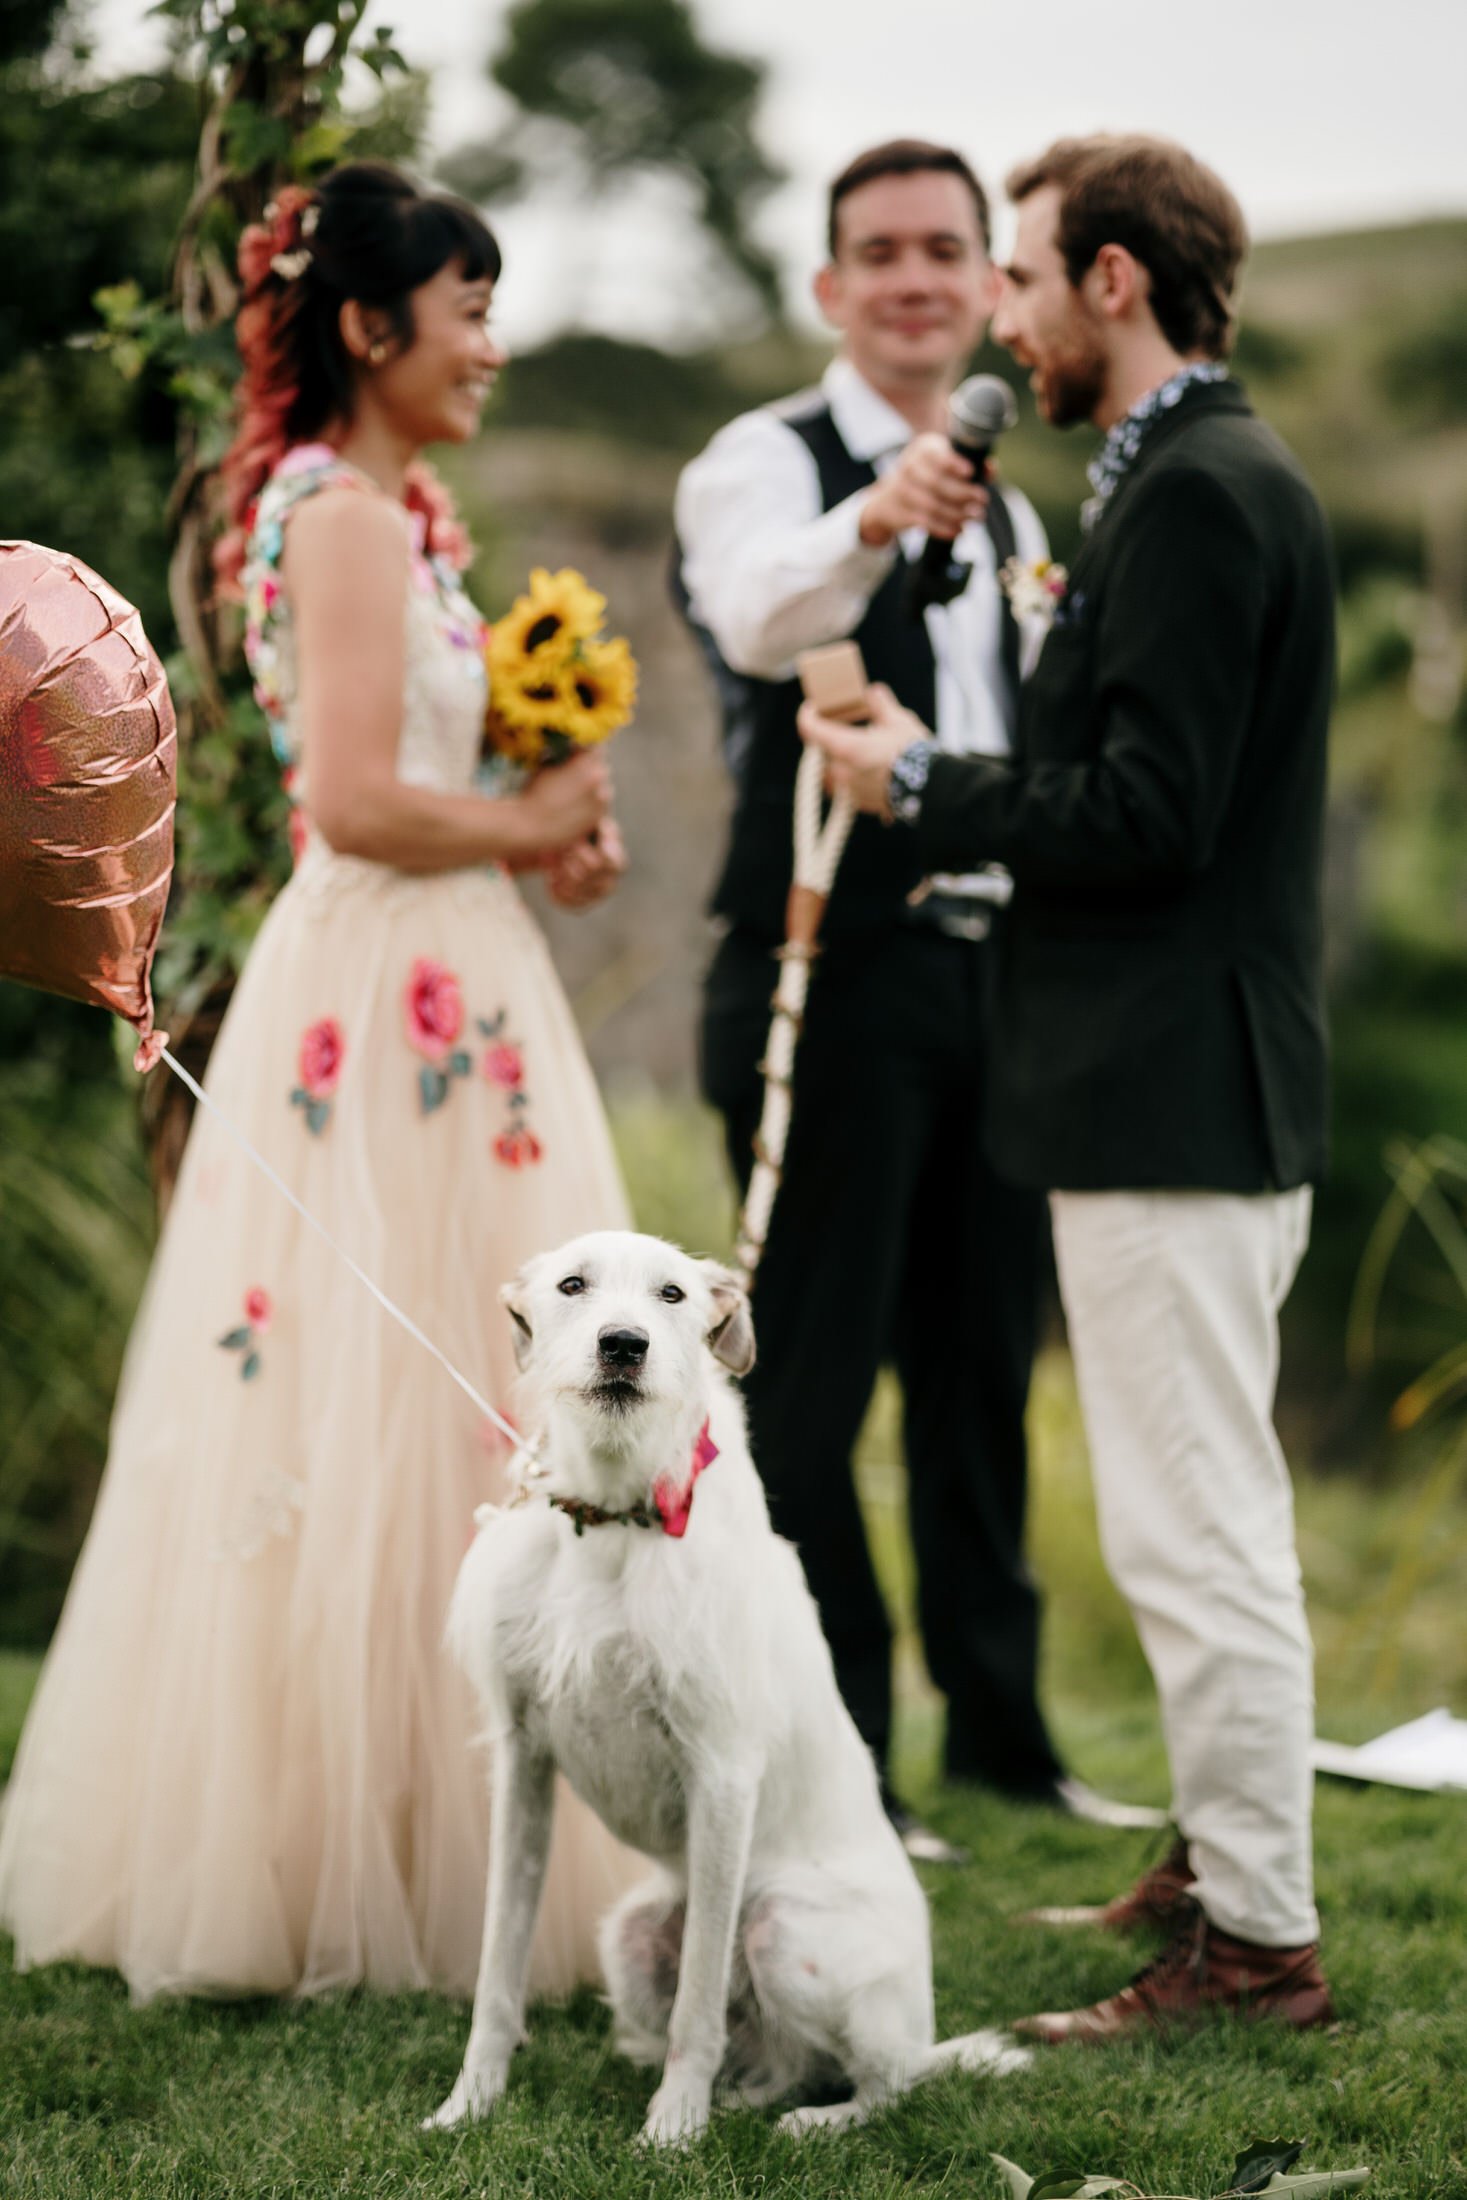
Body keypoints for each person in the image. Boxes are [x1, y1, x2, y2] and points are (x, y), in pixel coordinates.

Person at [0, 162, 642, 2003]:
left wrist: (531, 835)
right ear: (372, 326)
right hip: (386, 986)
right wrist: (518, 821)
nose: (492, 349)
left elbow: (413, 775)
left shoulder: (390, 512)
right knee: (373, 1400)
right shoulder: (344, 520)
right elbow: (352, 801)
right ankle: (349, 1845)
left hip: (454, 979)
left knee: (442, 1400)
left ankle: (469, 1821)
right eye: (470, 313)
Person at [799, 133, 1337, 2036]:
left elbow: (1153, 813)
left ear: (1114, 281)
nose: (1005, 320)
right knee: (1199, 1509)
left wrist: (929, 787)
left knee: (1193, 1531)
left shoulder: (1199, 493)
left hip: (1169, 1097)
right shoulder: (1193, 478)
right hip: (1179, 1088)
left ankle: (1260, 1950)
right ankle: (1219, 1856)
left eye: (1022, 275)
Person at [675, 139, 1152, 1855]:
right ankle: (844, 1754)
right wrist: (878, 514)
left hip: (996, 980)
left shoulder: (1020, 504)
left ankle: (1010, 1742)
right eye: (878, 251)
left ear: (985, 282)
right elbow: (750, 614)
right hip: (829, 978)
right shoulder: (763, 463)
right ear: (829, 287)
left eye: (948, 250)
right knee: (804, 1381)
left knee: (978, 1369)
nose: (915, 279)